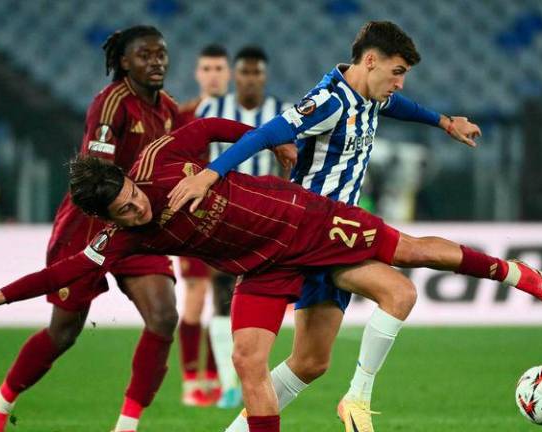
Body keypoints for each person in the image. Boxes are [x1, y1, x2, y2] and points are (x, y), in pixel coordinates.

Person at [0, 118, 542, 432]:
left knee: (415, 257)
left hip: (307, 222)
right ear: (106, 216)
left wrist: (271, 143)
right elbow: (70, 269)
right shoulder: (123, 238)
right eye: (124, 211)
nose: (138, 207)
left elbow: (209, 129)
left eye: (133, 196)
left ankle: (516, 274)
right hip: (260, 270)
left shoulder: (160, 160)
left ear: (130, 177)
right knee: (248, 359)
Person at [173, 20, 485, 432]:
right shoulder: (329, 100)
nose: (401, 84)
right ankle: (355, 398)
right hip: (300, 233)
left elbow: (399, 107)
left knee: (312, 362)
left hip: (340, 235)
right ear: (370, 61)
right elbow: (267, 133)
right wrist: (210, 175)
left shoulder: (372, 95)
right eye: (398, 72)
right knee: (395, 291)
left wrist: (444, 122)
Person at [0, 25, 182, 432]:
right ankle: (0, 400)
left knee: (163, 316)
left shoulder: (169, 109)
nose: (155, 62)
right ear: (123, 62)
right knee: (64, 333)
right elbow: (96, 177)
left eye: (161, 54)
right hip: (87, 227)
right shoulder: (111, 105)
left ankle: (126, 426)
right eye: (145, 55)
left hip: (139, 224)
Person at [187, 45, 292, 409]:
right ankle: (230, 385)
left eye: (256, 73)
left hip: (268, 217)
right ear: (236, 75)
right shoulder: (211, 110)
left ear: (264, 76)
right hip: (224, 214)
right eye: (244, 72)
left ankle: (253, 375)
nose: (250, 79)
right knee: (220, 291)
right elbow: (195, 157)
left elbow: (289, 163)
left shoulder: (281, 113)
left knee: (260, 295)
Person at [176, 43, 231, 407]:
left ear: (228, 74)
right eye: (207, 68)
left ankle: (218, 376)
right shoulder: (185, 116)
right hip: (193, 222)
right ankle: (191, 379)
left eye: (218, 68)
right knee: (196, 298)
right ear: (198, 74)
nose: (213, 74)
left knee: (225, 302)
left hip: (231, 222)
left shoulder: (239, 116)